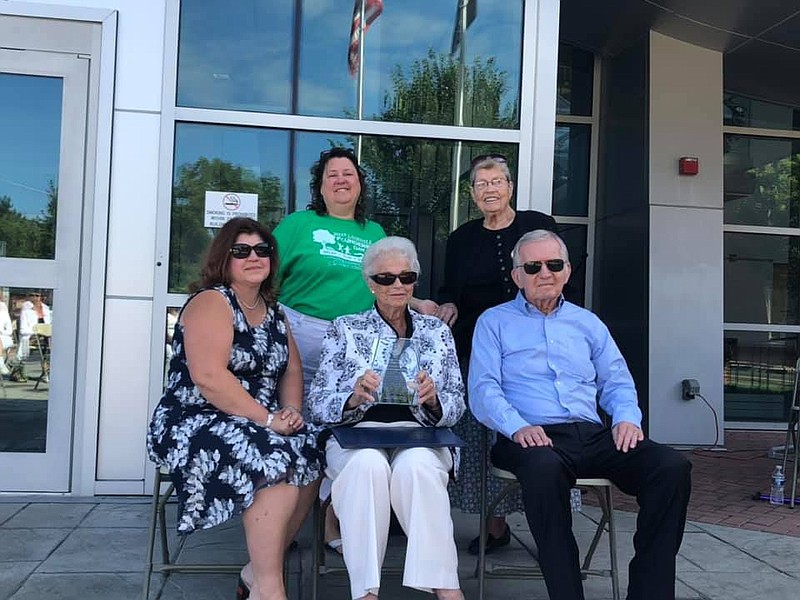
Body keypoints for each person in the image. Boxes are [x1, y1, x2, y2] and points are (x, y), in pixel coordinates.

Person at [469, 229, 692, 600]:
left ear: (568, 271)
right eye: (533, 266)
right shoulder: (494, 322)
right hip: (526, 436)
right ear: (517, 276)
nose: (545, 273)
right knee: (544, 470)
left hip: (591, 435)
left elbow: (616, 380)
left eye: (554, 264)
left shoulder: (588, 323)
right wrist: (518, 426)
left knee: (670, 468)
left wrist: (626, 418)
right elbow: (483, 389)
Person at [146, 217, 323, 600]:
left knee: (312, 446)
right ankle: (271, 587)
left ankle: (255, 572)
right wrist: (269, 419)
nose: (253, 257)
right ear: (224, 259)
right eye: (241, 251)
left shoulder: (274, 310)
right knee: (275, 457)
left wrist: (291, 410)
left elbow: (291, 368)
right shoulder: (213, 301)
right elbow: (209, 377)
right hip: (196, 417)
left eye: (262, 250)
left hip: (257, 418)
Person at [273, 147, 435, 552]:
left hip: (354, 344)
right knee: (294, 432)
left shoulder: (374, 233)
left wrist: (419, 304)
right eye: (333, 174)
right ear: (321, 185)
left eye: (349, 173)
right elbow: (265, 279)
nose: (341, 180)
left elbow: (385, 283)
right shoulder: (299, 225)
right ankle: (279, 529)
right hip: (299, 336)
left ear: (360, 185)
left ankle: (333, 523)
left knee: (343, 430)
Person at [308, 236, 466, 600]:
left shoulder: (436, 332)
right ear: (369, 283)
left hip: (419, 434)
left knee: (418, 469)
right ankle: (365, 592)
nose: (398, 285)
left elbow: (458, 403)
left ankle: (446, 587)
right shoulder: (345, 328)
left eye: (406, 277)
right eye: (386, 278)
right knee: (367, 468)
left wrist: (435, 401)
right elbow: (317, 403)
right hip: (357, 434)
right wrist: (353, 397)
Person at [435, 153, 558, 554]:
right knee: (486, 435)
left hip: (533, 347)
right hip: (480, 347)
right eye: (481, 184)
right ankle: (495, 525)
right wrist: (448, 305)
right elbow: (450, 288)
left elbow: (557, 279)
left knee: (542, 427)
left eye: (496, 182)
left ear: (509, 187)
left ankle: (548, 524)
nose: (489, 189)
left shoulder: (538, 226)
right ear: (472, 193)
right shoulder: (462, 239)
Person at [0, 290, 14, 376]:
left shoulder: (3, 309)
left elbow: (10, 330)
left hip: (3, 337)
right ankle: (1, 365)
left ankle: (1, 364)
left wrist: (1, 331)